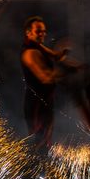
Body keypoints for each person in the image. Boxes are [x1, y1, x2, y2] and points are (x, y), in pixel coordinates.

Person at [20, 16, 69, 151]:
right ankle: (36, 166)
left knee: (46, 136)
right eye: (38, 31)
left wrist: (65, 50)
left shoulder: (38, 46)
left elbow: (56, 56)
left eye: (44, 31)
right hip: (36, 104)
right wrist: (67, 74)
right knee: (39, 138)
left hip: (45, 100)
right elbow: (45, 78)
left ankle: (42, 162)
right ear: (28, 33)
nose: (43, 34)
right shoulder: (30, 53)